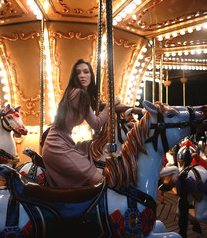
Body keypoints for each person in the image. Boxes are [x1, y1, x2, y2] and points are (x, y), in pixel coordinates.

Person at [42, 59, 143, 188]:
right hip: (57, 148)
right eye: (78, 73)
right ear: (74, 77)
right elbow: (97, 124)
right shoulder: (79, 94)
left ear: (91, 75)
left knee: (95, 146)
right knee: (101, 182)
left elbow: (105, 107)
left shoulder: (80, 95)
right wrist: (112, 103)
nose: (82, 75)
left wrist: (141, 110)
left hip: (64, 143)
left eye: (86, 72)